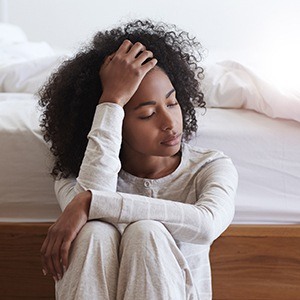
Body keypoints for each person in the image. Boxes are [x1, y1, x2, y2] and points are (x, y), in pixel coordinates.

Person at [39, 19, 238, 300]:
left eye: (172, 103)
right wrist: (112, 100)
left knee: (147, 232)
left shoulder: (210, 167)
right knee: (93, 232)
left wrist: (90, 201)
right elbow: (94, 194)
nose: (170, 123)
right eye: (147, 114)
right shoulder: (75, 175)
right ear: (115, 122)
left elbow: (206, 225)